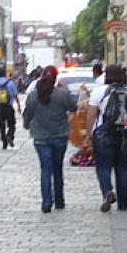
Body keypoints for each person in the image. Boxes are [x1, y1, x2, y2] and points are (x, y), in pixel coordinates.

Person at [85, 64, 127, 212]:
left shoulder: (98, 92)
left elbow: (91, 115)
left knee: (103, 167)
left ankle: (108, 191)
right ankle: (123, 204)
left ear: (106, 75)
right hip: (125, 134)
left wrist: (88, 135)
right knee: (122, 167)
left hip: (103, 134)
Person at [23, 66, 77, 213]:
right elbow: (73, 107)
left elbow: (27, 114)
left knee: (45, 169)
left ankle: (46, 201)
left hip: (41, 138)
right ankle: (59, 200)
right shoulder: (62, 93)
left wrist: (27, 125)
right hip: (59, 135)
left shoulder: (33, 96)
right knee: (57, 168)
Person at [0, 66, 19, 149]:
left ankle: (4, 141)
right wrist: (19, 106)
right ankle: (10, 136)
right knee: (12, 124)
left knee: (1, 125)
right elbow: (15, 95)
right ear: (5, 74)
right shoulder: (10, 83)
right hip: (9, 106)